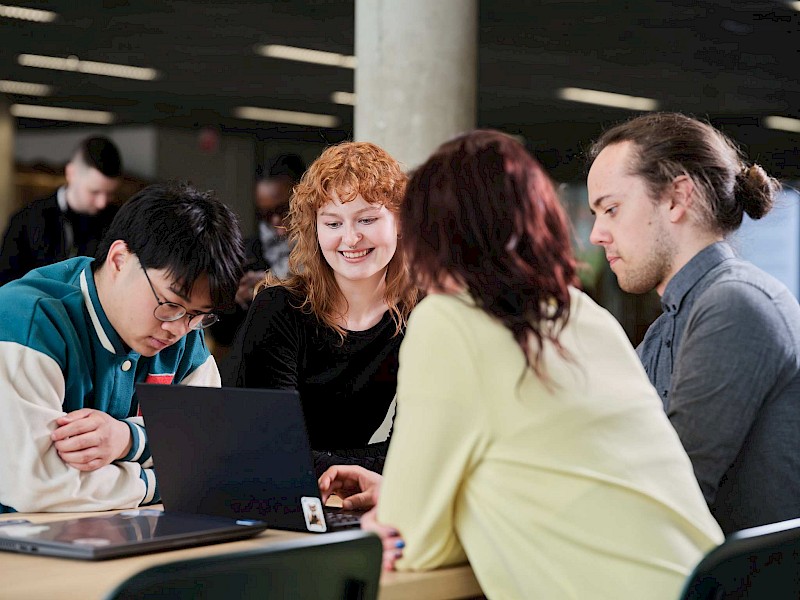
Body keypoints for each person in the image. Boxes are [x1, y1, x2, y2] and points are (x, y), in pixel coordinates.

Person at [318, 130, 723, 599]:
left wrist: (393, 518)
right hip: (707, 583)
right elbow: (549, 478)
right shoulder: (583, 312)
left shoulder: (449, 320)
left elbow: (418, 544)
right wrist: (402, 495)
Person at [586, 112, 800, 534]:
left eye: (611, 209)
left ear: (677, 198)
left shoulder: (735, 304)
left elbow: (671, 490)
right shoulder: (665, 329)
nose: (597, 234)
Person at [0, 182, 244, 513]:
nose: (177, 329)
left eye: (199, 315)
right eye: (169, 304)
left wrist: (128, 439)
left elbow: (215, 452)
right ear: (119, 260)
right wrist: (161, 482)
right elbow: (38, 485)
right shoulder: (26, 321)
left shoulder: (186, 330)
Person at [223, 141, 418, 476]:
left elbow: (417, 450)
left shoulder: (421, 314)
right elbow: (270, 450)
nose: (350, 238)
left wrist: (351, 474)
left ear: (399, 221)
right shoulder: (278, 310)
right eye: (333, 223)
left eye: (366, 219)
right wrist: (370, 470)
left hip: (343, 497)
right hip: (252, 488)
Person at [210, 153, 306, 349]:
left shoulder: (329, 248)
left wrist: (277, 285)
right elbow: (222, 336)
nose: (276, 222)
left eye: (285, 210)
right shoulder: (245, 254)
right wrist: (232, 300)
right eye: (266, 214)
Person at [0, 135, 123, 286]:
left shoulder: (117, 221)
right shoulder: (26, 221)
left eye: (110, 193)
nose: (102, 203)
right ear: (71, 174)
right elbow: (7, 283)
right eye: (94, 192)